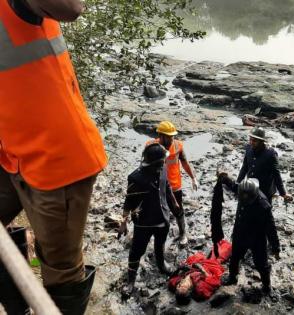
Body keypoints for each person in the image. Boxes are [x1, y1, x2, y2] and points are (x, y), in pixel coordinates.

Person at [0, 0, 107, 314]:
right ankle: (17, 307)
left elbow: (70, 7)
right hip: (11, 152)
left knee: (59, 270)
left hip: (59, 159)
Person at [118, 143, 180, 296]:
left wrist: (174, 202)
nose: (164, 164)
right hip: (143, 222)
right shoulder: (135, 178)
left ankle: (162, 265)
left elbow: (167, 186)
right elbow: (129, 201)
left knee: (160, 244)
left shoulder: (163, 169)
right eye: (161, 162)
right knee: (136, 252)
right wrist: (123, 222)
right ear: (154, 163)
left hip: (162, 218)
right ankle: (130, 281)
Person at [218, 177, 280, 294]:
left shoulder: (263, 205)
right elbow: (233, 185)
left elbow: (271, 228)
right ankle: (232, 277)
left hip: (257, 238)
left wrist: (276, 247)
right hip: (240, 233)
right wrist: (224, 178)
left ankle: (266, 286)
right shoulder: (242, 190)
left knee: (261, 264)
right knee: (235, 257)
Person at [146, 121, 198, 245]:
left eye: (172, 136)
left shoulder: (178, 146)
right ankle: (156, 237)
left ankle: (182, 233)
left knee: (178, 210)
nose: (171, 139)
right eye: (168, 136)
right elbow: (145, 166)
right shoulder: (151, 146)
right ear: (161, 135)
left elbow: (185, 162)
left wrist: (193, 178)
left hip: (174, 186)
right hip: (157, 186)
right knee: (156, 211)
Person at [237, 127, 292, 205]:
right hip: (251, 187)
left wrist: (283, 193)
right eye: (250, 139)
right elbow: (244, 167)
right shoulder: (248, 148)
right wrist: (238, 183)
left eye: (255, 140)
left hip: (265, 190)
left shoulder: (271, 154)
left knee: (265, 212)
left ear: (261, 141)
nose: (251, 142)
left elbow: (276, 174)